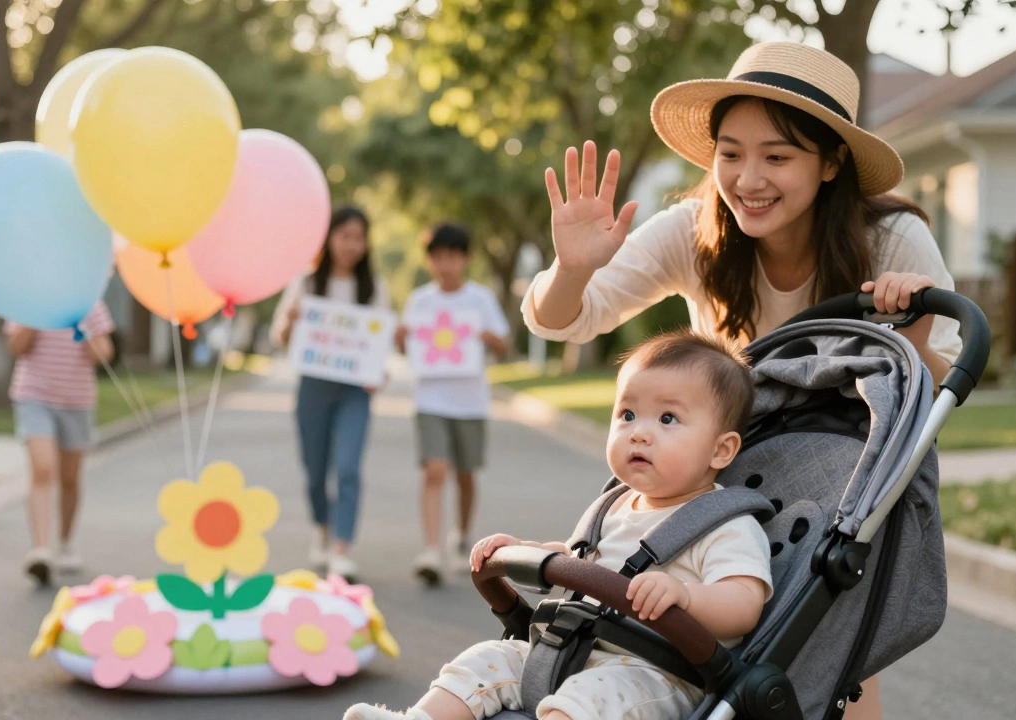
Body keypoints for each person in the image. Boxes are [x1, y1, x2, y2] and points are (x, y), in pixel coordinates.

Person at [521, 40, 960, 720]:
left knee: (833, 641)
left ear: (831, 162)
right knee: (688, 633)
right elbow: (567, 319)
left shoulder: (892, 237)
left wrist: (917, 333)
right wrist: (573, 268)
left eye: (777, 156)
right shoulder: (696, 233)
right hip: (732, 459)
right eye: (730, 153)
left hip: (850, 471)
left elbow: (939, 385)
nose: (748, 178)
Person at [345, 331, 772, 720]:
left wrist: (686, 596)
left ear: (721, 450)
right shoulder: (616, 505)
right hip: (576, 649)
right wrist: (531, 552)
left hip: (655, 674)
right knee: (489, 659)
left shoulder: (725, 524)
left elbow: (744, 602)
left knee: (588, 700)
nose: (639, 433)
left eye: (666, 419)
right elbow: (582, 565)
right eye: (627, 414)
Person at [270, 205, 391, 582]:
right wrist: (290, 322)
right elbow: (279, 339)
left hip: (355, 391)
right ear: (329, 238)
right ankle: (321, 526)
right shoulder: (306, 284)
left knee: (349, 467)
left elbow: (379, 344)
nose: (351, 245)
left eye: (359, 237)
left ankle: (342, 547)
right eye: (344, 236)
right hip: (313, 388)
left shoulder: (374, 287)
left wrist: (377, 372)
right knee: (315, 469)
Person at [396, 223, 511, 585]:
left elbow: (503, 345)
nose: (446, 264)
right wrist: (400, 338)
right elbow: (407, 347)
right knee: (434, 470)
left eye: (453, 256)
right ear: (430, 261)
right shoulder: (420, 301)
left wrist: (489, 337)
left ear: (465, 259)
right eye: (439, 257)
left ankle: (461, 537)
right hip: (430, 398)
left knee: (465, 474)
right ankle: (432, 549)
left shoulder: (480, 300)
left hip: (470, 401)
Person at [5, 300, 114, 585]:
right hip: (34, 396)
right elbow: (16, 346)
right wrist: (35, 317)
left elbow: (102, 354)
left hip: (76, 401)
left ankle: (65, 543)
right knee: (43, 470)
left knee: (70, 478)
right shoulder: (30, 299)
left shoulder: (90, 303)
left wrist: (84, 326)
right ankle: (41, 549)